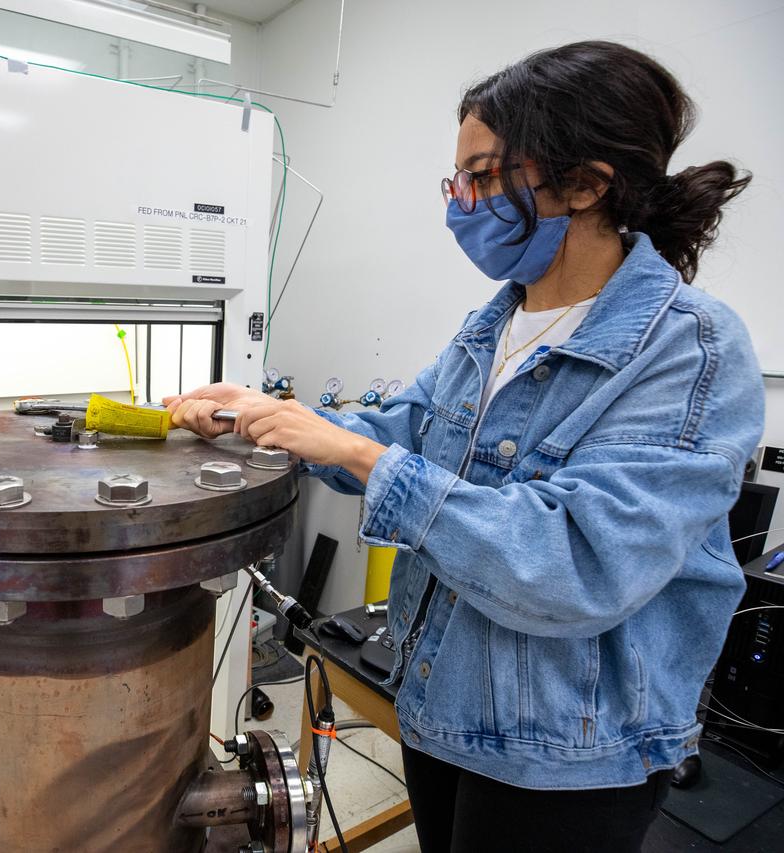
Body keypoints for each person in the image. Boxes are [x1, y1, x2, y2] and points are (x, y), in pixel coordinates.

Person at [168, 41, 763, 852]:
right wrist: (267, 417)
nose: (460, 201)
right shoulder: (496, 322)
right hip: (440, 702)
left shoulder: (690, 351)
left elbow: (576, 562)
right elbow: (406, 430)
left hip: (564, 754)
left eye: (483, 177)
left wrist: (362, 458)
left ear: (587, 183)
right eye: (457, 179)